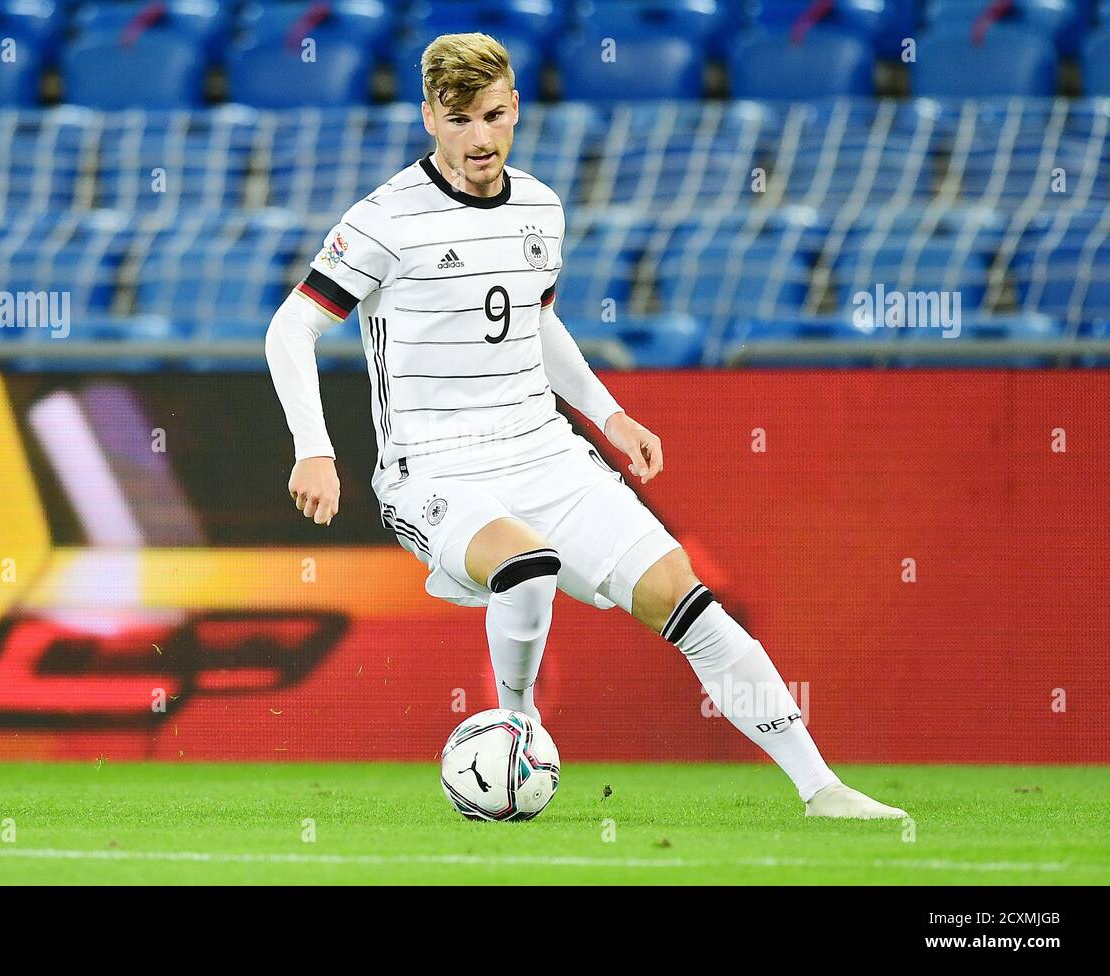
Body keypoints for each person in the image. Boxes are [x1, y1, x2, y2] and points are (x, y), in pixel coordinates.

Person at [266, 32, 906, 819]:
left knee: (689, 601)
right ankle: (519, 721)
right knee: (527, 563)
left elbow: (537, 324)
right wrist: (315, 448)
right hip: (434, 471)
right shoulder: (385, 221)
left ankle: (823, 789)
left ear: (517, 110)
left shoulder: (540, 205)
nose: (481, 138)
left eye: (495, 116)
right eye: (461, 119)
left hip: (546, 455)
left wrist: (606, 414)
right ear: (429, 116)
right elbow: (290, 329)